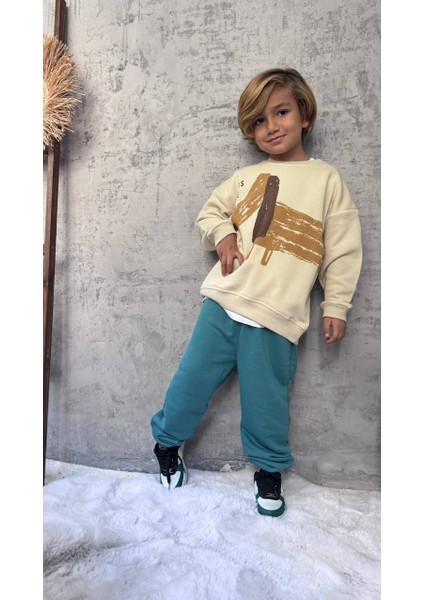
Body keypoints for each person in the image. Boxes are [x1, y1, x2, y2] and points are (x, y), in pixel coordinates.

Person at [150, 67, 362, 518]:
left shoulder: (326, 180)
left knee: (268, 401)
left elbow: (342, 249)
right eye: (259, 121)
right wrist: (224, 235)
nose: (271, 127)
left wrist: (337, 305)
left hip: (278, 314)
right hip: (224, 302)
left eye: (281, 112)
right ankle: (166, 442)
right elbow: (210, 213)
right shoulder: (245, 177)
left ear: (304, 115)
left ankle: (268, 470)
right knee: (191, 381)